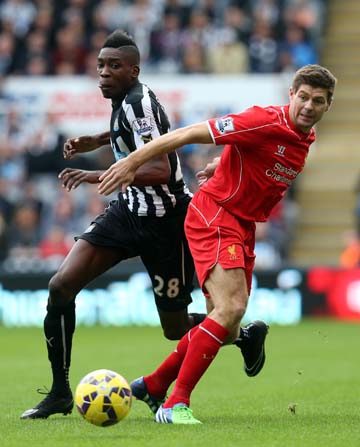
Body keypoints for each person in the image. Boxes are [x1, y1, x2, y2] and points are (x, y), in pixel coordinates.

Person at [20, 29, 267, 420]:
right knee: (60, 287)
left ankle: (242, 335)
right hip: (127, 213)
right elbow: (132, 136)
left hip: (168, 224)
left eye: (113, 66)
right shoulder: (123, 101)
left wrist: (97, 173)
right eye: (101, 65)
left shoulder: (140, 102)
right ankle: (60, 392)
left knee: (174, 329)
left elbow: (161, 167)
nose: (104, 72)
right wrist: (98, 140)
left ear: (133, 70)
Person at [97, 64, 337, 424]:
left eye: (317, 101)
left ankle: (153, 384)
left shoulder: (306, 136)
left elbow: (254, 152)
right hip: (216, 214)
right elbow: (191, 132)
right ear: (291, 95)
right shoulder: (264, 119)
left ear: (327, 106)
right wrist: (133, 160)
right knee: (231, 308)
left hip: (242, 224)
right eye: (303, 97)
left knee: (223, 327)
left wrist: (222, 164)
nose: (308, 106)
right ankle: (174, 404)